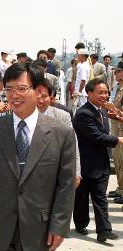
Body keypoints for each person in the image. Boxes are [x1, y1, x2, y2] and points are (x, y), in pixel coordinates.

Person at [0, 62, 76, 251]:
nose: (14, 95)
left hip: (39, 230)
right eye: (9, 89)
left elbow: (66, 185)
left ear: (38, 91)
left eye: (21, 88)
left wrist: (59, 225)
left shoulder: (61, 133)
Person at [73, 78, 122, 242]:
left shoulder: (102, 111)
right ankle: (81, 223)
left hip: (101, 163)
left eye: (106, 92)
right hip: (86, 163)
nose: (104, 95)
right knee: (81, 196)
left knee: (100, 197)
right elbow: (97, 136)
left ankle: (104, 231)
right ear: (89, 93)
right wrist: (118, 139)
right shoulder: (83, 113)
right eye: (100, 92)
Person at [36, 78, 81, 188]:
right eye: (37, 97)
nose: (40, 101)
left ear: (51, 97)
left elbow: (73, 145)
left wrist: (76, 173)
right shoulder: (23, 115)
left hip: (56, 173)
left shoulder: (62, 116)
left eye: (44, 97)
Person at [107, 62, 123, 204]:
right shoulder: (118, 88)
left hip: (121, 127)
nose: (115, 74)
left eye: (118, 71)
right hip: (115, 127)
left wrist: (117, 115)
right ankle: (120, 187)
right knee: (117, 161)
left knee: (122, 161)